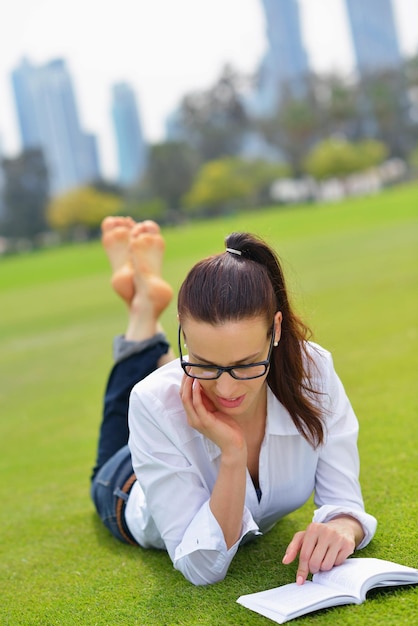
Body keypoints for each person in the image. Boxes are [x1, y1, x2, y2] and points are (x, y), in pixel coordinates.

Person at [91, 216, 377, 587]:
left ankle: (146, 310)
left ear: (275, 329)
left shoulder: (313, 370)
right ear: (183, 330)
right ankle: (143, 312)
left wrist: (344, 526)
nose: (226, 392)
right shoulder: (154, 402)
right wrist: (232, 452)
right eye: (204, 362)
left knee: (174, 386)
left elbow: (345, 503)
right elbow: (202, 569)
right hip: (127, 485)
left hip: (173, 435)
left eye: (245, 364)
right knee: (140, 399)